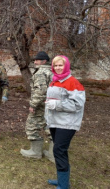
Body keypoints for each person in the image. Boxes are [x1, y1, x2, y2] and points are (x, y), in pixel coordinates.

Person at [45, 55, 86, 188]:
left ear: (66, 66)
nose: (58, 68)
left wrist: (56, 105)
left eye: (60, 65)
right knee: (60, 151)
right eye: (55, 65)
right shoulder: (54, 81)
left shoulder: (72, 82)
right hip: (56, 121)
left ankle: (63, 185)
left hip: (67, 123)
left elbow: (77, 104)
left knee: (59, 150)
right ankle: (62, 180)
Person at [20, 51, 54, 162]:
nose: (34, 62)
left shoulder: (41, 73)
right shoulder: (50, 71)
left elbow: (41, 91)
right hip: (49, 105)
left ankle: (35, 152)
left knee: (31, 127)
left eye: (37, 60)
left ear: (44, 61)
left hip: (40, 106)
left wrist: (33, 105)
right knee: (49, 128)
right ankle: (54, 154)